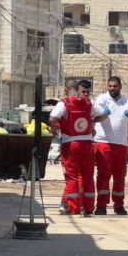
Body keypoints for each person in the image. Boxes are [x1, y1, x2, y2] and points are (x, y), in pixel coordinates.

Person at [49, 79, 101, 216]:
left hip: (71, 144)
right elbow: (104, 114)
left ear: (66, 90)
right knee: (88, 176)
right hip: (88, 144)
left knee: (72, 177)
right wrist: (91, 124)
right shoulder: (89, 103)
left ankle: (74, 208)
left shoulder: (64, 103)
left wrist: (53, 129)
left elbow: (52, 118)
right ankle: (89, 208)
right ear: (77, 89)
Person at [92, 76, 128, 216]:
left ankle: (119, 205)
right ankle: (101, 205)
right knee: (103, 175)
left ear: (120, 87)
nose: (112, 88)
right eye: (110, 86)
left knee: (120, 176)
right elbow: (95, 113)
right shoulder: (102, 99)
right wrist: (103, 112)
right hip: (103, 143)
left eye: (115, 86)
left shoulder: (127, 102)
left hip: (121, 144)